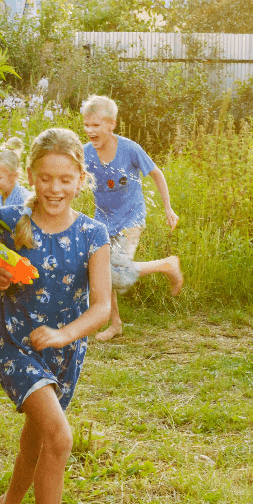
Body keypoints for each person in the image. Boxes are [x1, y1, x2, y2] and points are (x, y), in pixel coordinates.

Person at [0, 128, 111, 504]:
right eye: (46, 178)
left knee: (39, 435)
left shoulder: (94, 232)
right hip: (14, 341)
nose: (55, 188)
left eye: (65, 179)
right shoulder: (11, 218)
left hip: (65, 350)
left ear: (80, 179)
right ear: (31, 175)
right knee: (60, 437)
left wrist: (64, 335)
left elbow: (102, 307)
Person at [81, 95, 182, 341]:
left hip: (131, 217)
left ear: (111, 124)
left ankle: (167, 264)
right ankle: (115, 324)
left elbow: (157, 174)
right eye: (86, 125)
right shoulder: (85, 153)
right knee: (103, 270)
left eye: (96, 125)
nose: (90, 130)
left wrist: (168, 208)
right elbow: (73, 178)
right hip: (102, 220)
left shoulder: (130, 149)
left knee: (116, 273)